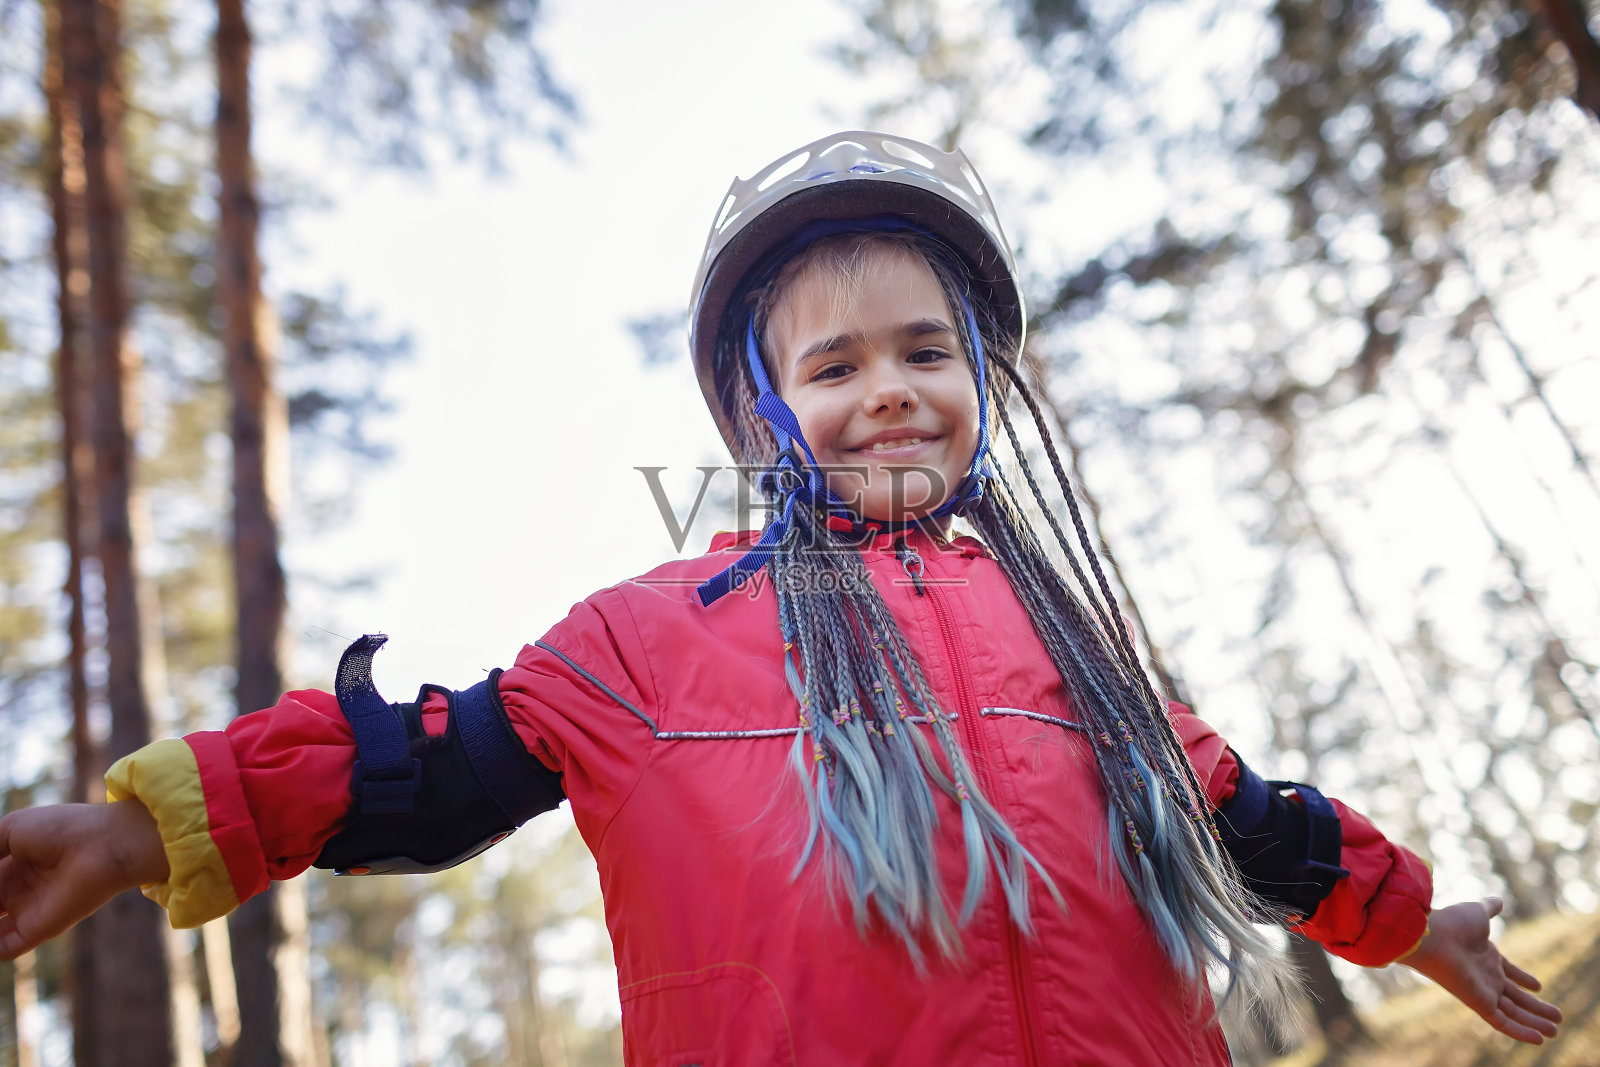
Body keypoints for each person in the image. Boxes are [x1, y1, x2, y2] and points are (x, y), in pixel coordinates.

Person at [0, 132, 1562, 1064]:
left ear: (981, 381)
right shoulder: (646, 642)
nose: (890, 391)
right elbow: (421, 766)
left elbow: (1251, 824)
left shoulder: (1078, 654)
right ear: (762, 417)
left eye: (927, 351)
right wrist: (142, 833)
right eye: (835, 365)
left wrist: (1416, 921)